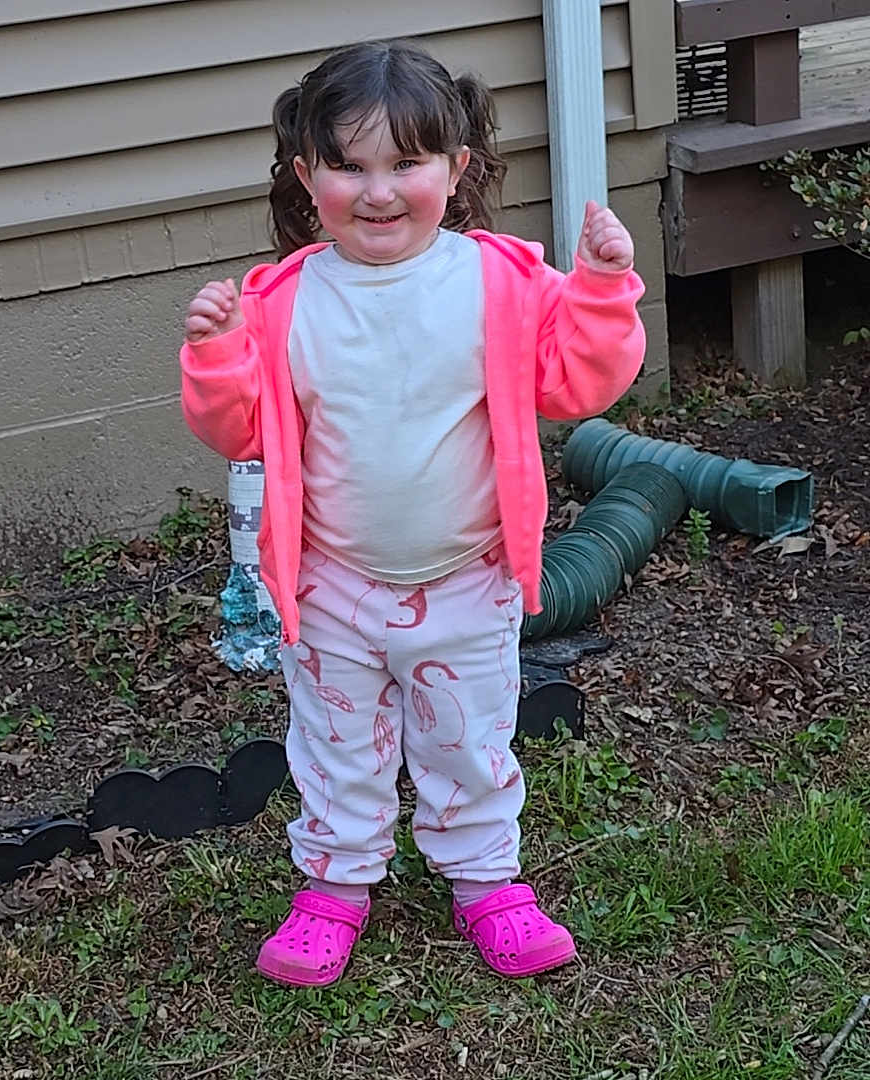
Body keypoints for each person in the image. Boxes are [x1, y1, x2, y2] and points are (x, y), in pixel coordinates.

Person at [180, 39, 645, 988]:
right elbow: (243, 433)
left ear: (456, 169)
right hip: (333, 585)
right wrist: (220, 353)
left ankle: (487, 881)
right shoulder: (281, 303)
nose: (379, 190)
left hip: (468, 580)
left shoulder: (499, 281)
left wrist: (599, 291)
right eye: (350, 166)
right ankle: (333, 889)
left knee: (467, 741)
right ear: (308, 177)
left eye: (407, 163)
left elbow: (576, 384)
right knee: (336, 748)